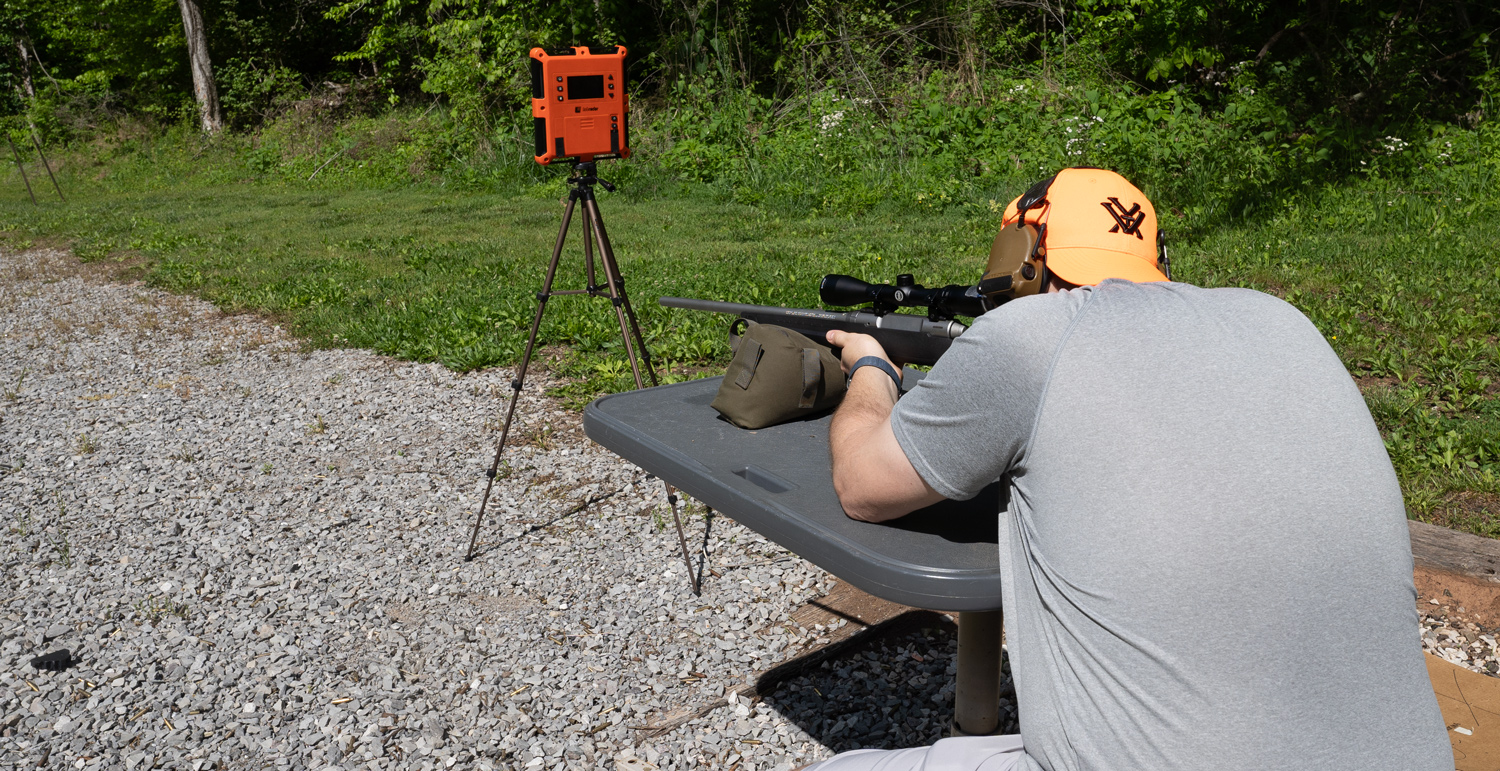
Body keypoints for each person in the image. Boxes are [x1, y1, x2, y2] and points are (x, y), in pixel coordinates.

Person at [813, 168, 1452, 771]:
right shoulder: (1284, 320)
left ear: (1022, 254)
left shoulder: (1032, 338)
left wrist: (872, 368)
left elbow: (862, 486)